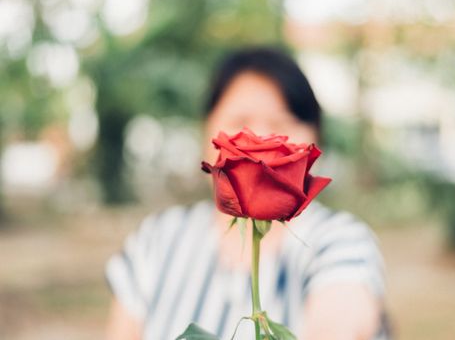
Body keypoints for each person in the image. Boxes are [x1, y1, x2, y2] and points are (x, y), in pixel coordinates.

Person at [105, 47, 390, 340]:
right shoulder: (157, 240)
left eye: (280, 124)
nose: (259, 137)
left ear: (315, 138)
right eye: (240, 121)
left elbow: (338, 324)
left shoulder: (339, 241)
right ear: (207, 132)